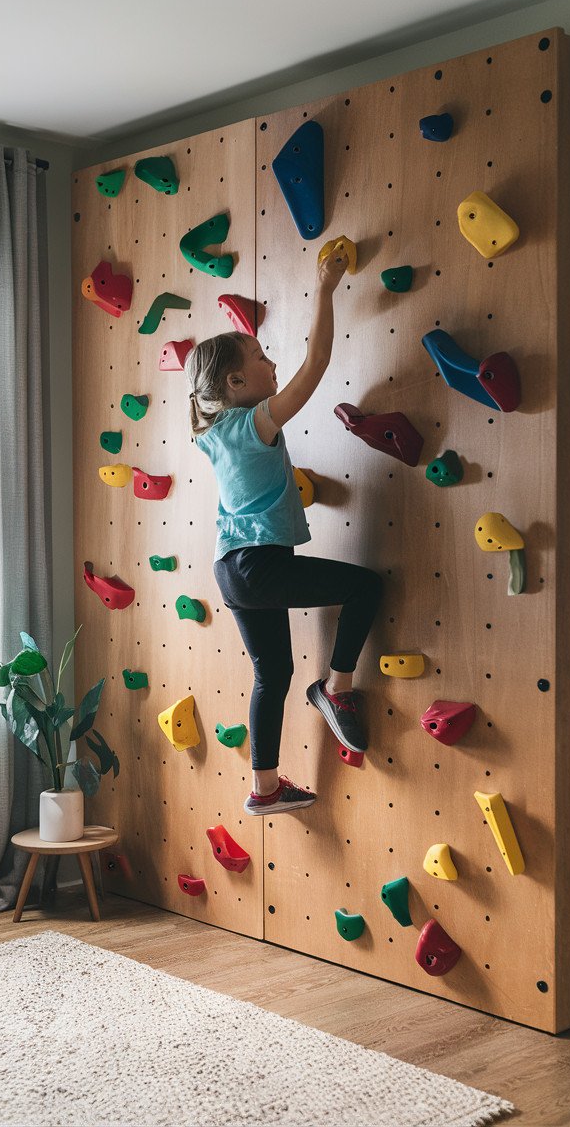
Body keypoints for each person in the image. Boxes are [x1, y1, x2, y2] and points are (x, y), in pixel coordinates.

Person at [186, 247, 383, 816]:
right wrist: (324, 287)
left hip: (231, 570)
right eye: (261, 356)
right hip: (259, 564)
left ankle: (265, 788)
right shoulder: (252, 424)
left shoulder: (215, 433)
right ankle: (335, 690)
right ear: (236, 379)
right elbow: (314, 369)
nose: (272, 365)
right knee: (365, 587)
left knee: (272, 672)